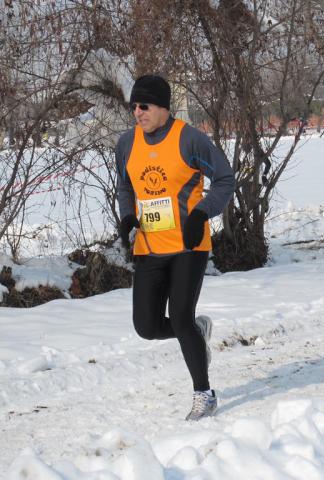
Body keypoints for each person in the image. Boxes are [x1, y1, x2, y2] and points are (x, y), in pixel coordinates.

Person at [116, 75, 235, 420]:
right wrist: (127, 217)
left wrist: (202, 213)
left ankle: (204, 394)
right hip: (149, 247)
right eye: (134, 106)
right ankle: (196, 334)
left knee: (180, 317)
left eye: (145, 106)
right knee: (146, 327)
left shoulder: (190, 139)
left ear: (164, 107)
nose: (138, 112)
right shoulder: (126, 143)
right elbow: (125, 187)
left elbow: (225, 179)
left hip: (188, 245)